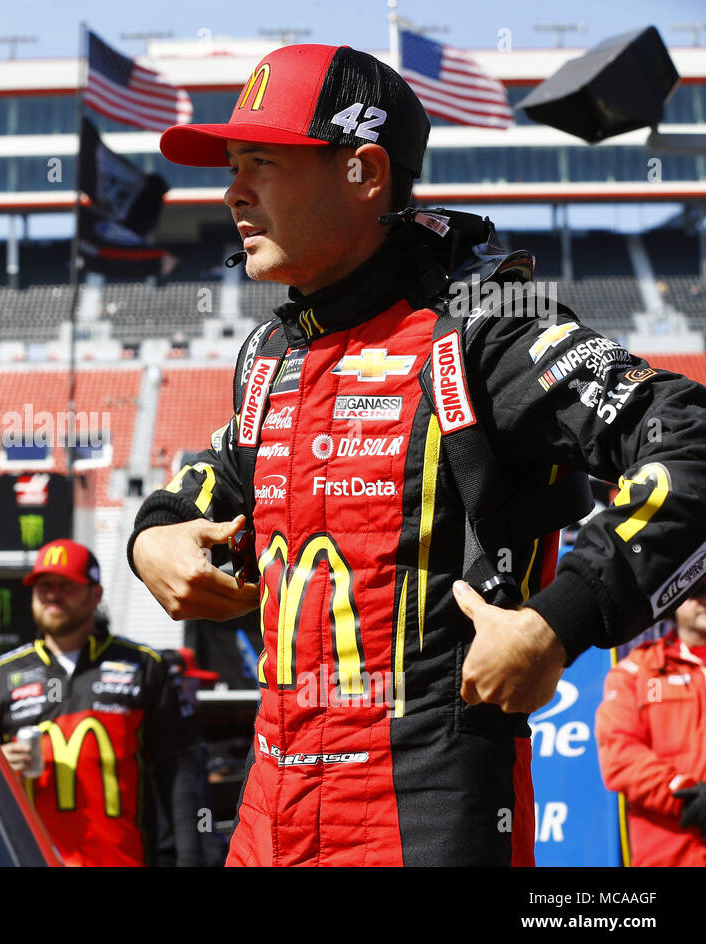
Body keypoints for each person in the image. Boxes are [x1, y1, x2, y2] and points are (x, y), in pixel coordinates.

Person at [128, 43, 706, 865]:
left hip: (427, 815)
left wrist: (557, 624)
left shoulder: (487, 328)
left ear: (364, 171)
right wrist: (155, 534)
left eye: (260, 161)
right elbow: (209, 483)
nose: (231, 192)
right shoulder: (270, 353)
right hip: (267, 810)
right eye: (230, 164)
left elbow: (691, 437)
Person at [0, 539, 201, 866]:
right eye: (43, 585)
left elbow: (180, 771)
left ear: (95, 595)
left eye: (65, 585)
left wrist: (191, 858)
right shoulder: (3, 674)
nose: (52, 594)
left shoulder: (143, 665)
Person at [596, 581, 706, 866]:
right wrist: (687, 796)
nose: (704, 599)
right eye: (696, 589)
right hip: (671, 857)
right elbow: (620, 756)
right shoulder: (634, 672)